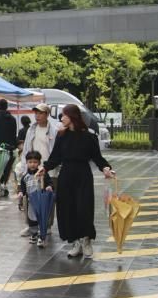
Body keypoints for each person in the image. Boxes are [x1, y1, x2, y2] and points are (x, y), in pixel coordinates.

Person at [38, 104, 114, 259]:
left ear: (72, 116)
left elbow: (97, 157)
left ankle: (86, 241)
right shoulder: (61, 135)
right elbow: (55, 157)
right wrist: (44, 168)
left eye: (64, 115)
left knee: (84, 208)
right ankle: (75, 242)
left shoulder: (88, 136)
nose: (61, 118)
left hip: (83, 176)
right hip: (66, 176)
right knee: (68, 209)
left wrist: (106, 168)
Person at [20, 104, 60, 236]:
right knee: (30, 198)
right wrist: (24, 167)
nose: (37, 116)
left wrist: (54, 167)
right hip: (33, 169)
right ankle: (31, 225)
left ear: (47, 114)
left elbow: (56, 151)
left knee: (48, 198)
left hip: (49, 170)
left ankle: (47, 225)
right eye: (36, 113)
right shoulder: (31, 129)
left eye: (41, 113)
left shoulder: (54, 130)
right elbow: (26, 149)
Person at [19, 151, 53, 248]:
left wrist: (49, 187)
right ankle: (33, 233)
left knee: (41, 218)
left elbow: (49, 182)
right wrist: (21, 192)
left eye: (35, 162)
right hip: (30, 202)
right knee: (31, 219)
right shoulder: (25, 176)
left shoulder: (43, 174)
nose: (32, 164)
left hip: (41, 201)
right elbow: (22, 187)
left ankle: (41, 236)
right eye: (30, 162)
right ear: (26, 163)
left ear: (39, 163)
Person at [0, 99, 18, 194]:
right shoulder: (13, 119)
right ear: (7, 106)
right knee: (7, 168)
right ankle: (3, 184)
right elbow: (14, 133)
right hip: (9, 148)